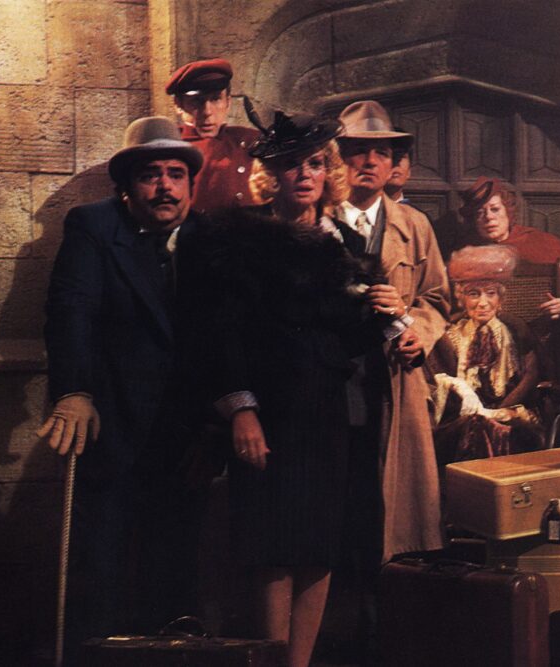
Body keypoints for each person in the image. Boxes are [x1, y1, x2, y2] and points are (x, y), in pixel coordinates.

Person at [176, 106, 402, 667]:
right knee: (273, 548)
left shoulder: (344, 241)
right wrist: (241, 410)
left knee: (319, 548)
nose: (305, 174)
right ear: (270, 174)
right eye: (291, 164)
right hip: (269, 413)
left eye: (315, 163)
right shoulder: (237, 237)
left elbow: (346, 339)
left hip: (327, 412)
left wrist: (387, 316)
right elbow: (218, 333)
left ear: (329, 172)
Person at [37, 117, 204, 661]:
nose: (165, 186)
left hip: (185, 435)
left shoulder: (208, 236)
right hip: (111, 425)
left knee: (175, 569)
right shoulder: (93, 225)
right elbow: (72, 309)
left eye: (176, 174)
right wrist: (74, 391)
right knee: (100, 567)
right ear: (127, 186)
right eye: (151, 175)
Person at [333, 99, 450, 562]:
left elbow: (436, 298)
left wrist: (416, 331)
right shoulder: (317, 220)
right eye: (357, 151)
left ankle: (383, 590)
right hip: (333, 380)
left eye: (381, 153)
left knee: (386, 498)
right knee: (334, 495)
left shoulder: (414, 225)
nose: (369, 161)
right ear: (338, 158)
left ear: (393, 164)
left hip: (391, 379)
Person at [428, 244, 545, 464]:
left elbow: (531, 376)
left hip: (512, 414)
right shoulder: (449, 335)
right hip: (462, 417)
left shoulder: (516, 331)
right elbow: (437, 378)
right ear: (462, 298)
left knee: (491, 428)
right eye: (474, 294)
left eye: (490, 294)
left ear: (500, 299)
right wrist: (461, 390)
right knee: (475, 428)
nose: (483, 303)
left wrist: (498, 412)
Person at [457, 176, 560, 319]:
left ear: (508, 211)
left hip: (540, 328)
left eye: (495, 209)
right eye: (480, 213)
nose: (489, 217)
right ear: (473, 220)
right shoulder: (464, 253)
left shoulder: (543, 243)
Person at [166, 58, 259, 214]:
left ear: (228, 102)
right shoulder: (169, 148)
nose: (207, 112)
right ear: (178, 105)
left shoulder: (249, 140)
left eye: (215, 99)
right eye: (197, 101)